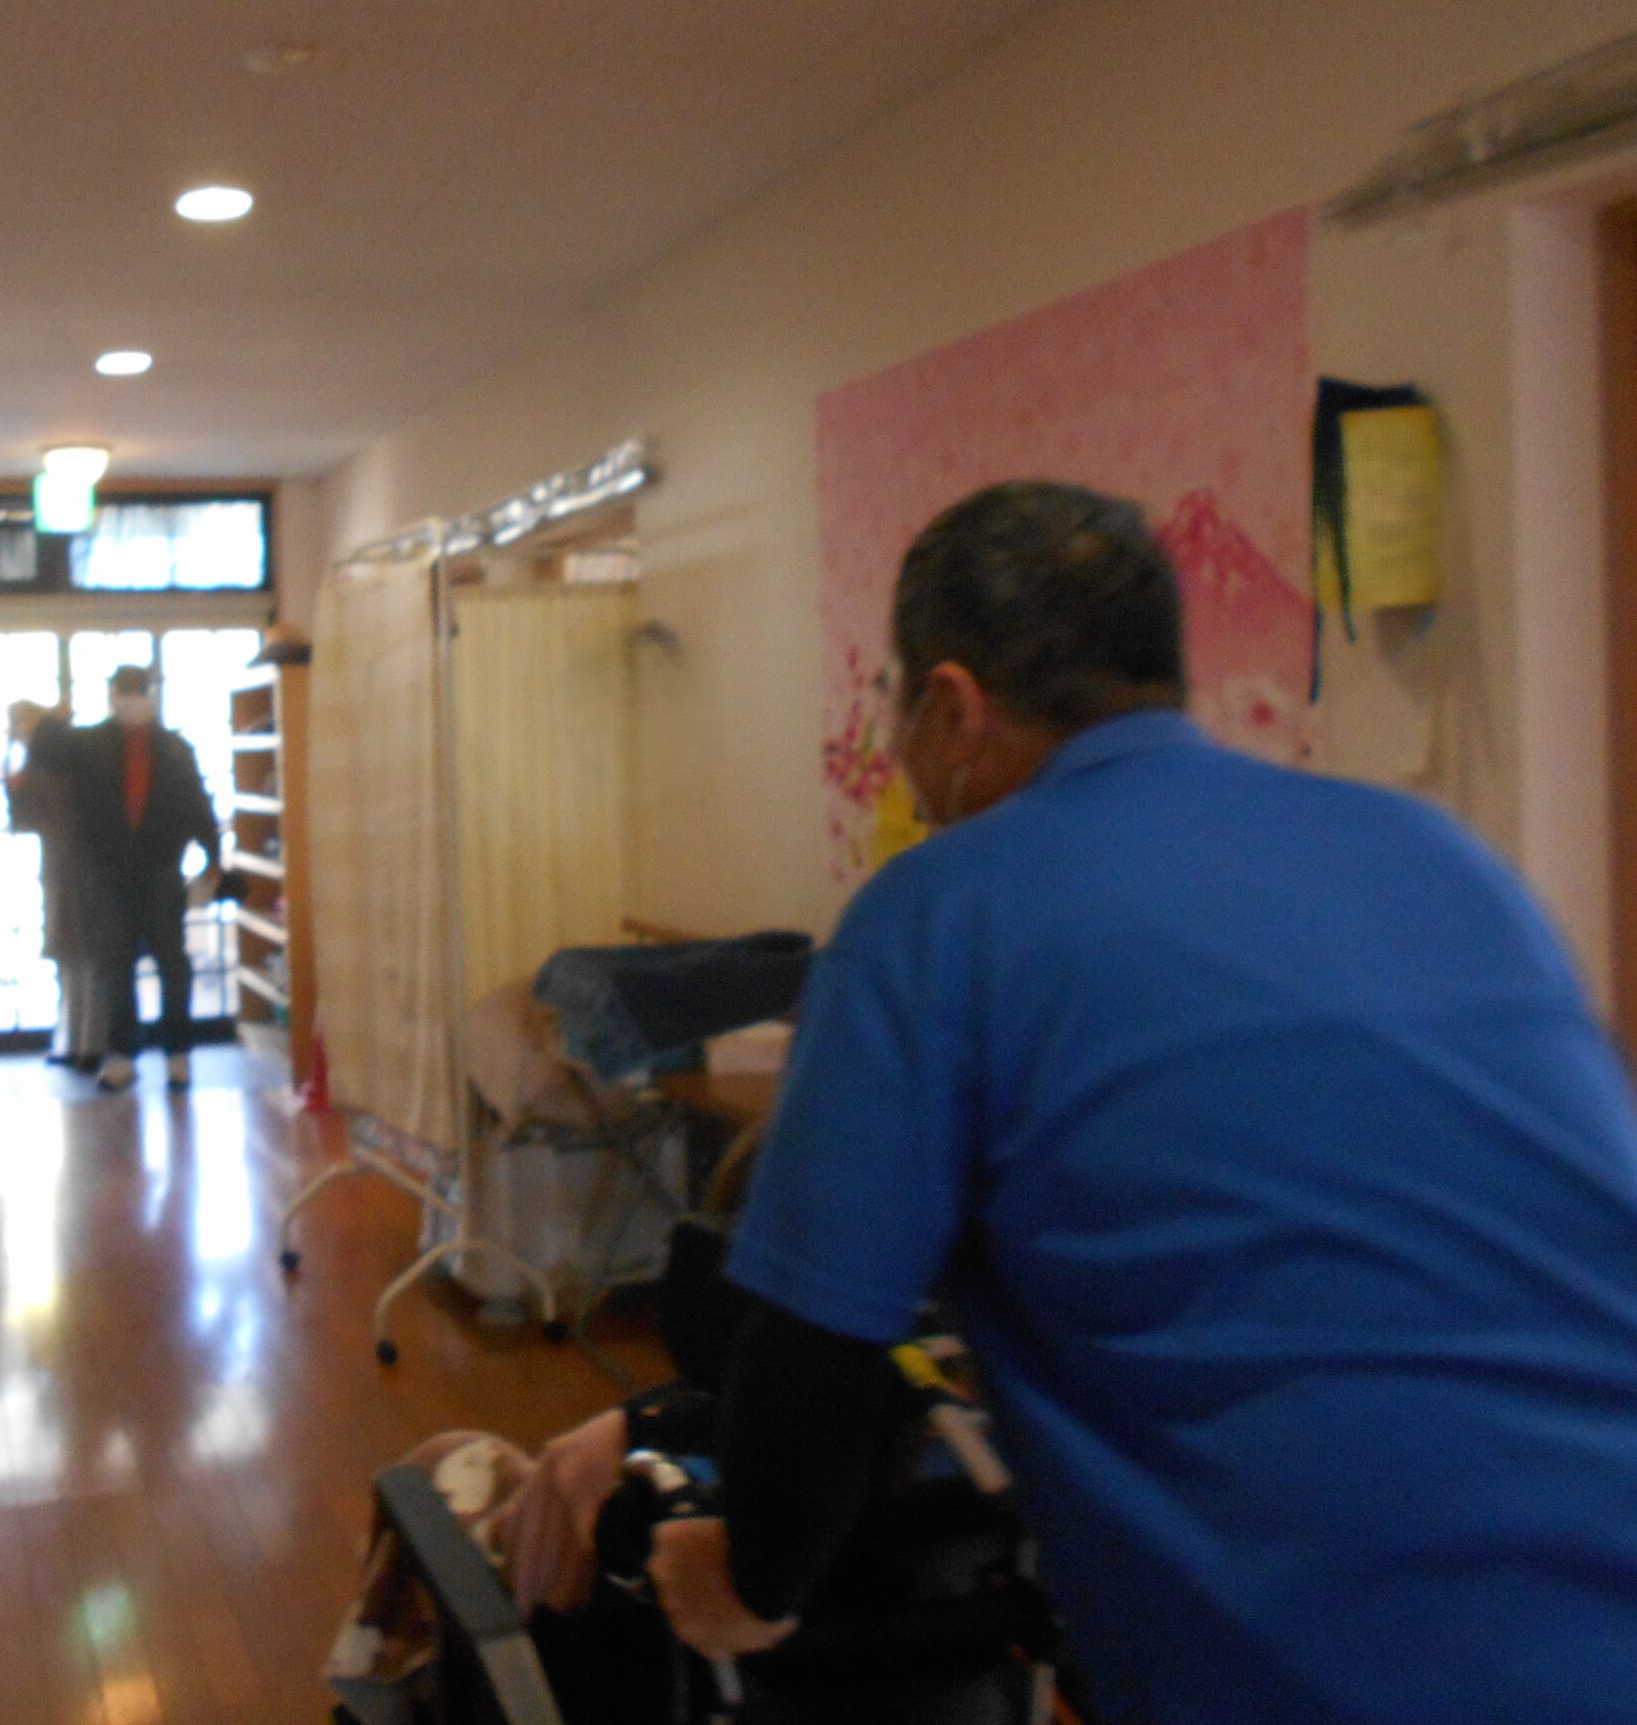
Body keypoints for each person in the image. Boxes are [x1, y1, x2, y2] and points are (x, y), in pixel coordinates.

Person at [530, 481, 1637, 1725]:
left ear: (952, 709)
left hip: (1340, 1665)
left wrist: (750, 1578)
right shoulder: (1440, 858)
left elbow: (815, 1361)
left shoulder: (934, 916)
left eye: (895, 710)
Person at [29, 665, 220, 1091]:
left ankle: (178, 1053)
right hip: (107, 871)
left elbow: (197, 802)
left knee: (173, 964)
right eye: (126, 691)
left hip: (162, 871)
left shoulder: (175, 748)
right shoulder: (88, 743)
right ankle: (122, 1054)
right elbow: (44, 755)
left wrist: (213, 855)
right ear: (112, 696)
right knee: (114, 966)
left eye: (140, 691)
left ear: (152, 696)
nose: (133, 699)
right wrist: (52, 721)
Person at [7, 699, 107, 1071]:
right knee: (81, 961)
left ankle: (83, 1043)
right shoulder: (68, 766)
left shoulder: (45, 772)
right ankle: (81, 1042)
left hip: (72, 874)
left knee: (79, 960)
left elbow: (24, 820)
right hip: (76, 874)